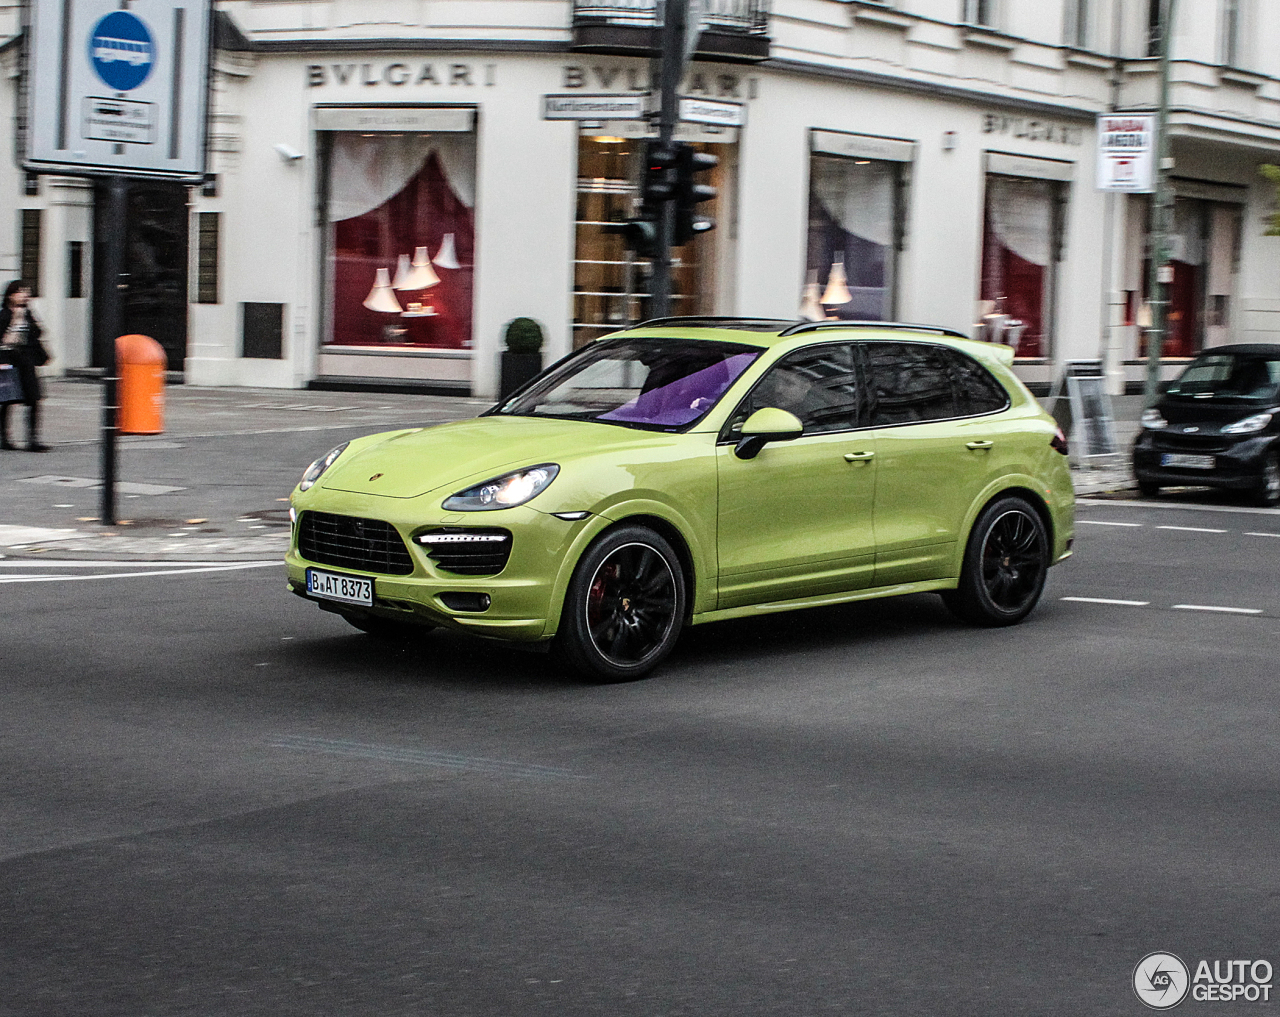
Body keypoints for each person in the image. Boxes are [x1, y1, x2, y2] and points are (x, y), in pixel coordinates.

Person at [0, 280, 49, 451]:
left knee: (33, 399)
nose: (25, 294)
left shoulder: (28, 313)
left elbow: (37, 333)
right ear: (11, 295)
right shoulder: (4, 314)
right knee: (7, 399)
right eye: (21, 291)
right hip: (9, 361)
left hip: (26, 361)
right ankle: (4, 437)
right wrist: (15, 319)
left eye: (26, 291)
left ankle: (33, 438)